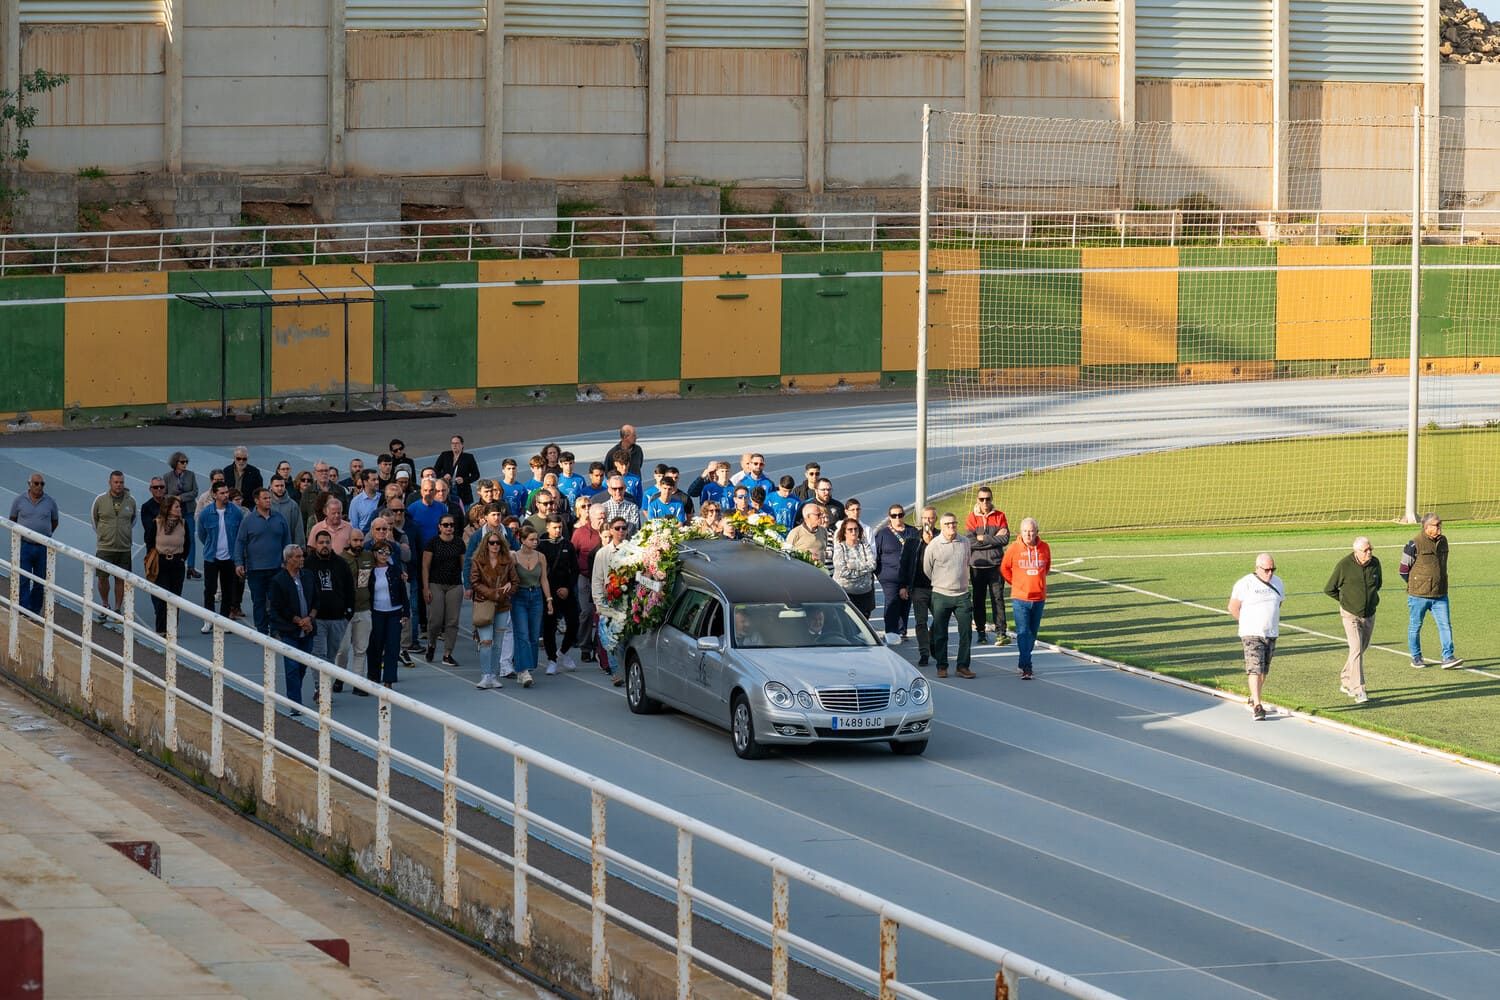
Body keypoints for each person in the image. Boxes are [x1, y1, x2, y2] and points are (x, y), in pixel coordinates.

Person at [1401, 513, 1462, 669]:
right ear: (1427, 527)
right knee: (1415, 626)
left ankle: (1448, 657)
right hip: (1418, 596)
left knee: (1445, 625)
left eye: (1440, 524)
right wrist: (1417, 584)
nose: (1439, 527)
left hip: (1440, 594)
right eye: (1436, 524)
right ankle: (1416, 657)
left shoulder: (1443, 541)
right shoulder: (1414, 544)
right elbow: (1403, 570)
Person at [1324, 536, 1381, 704]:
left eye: (1371, 549)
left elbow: (1378, 584)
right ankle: (1359, 689)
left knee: (1361, 648)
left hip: (1369, 613)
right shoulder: (1344, 565)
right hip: (1350, 614)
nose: (1369, 552)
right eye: (1366, 550)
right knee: (1356, 648)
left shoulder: (1375, 563)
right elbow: (1329, 589)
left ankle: (1346, 679)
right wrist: (1346, 601)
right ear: (1356, 552)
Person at [1229, 552, 1284, 721]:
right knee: (1255, 668)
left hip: (1271, 632)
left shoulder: (1278, 583)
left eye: (1272, 569)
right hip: (1251, 633)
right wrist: (1246, 623)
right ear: (1257, 568)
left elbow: (1279, 603)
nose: (1270, 573)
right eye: (1266, 570)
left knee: (1264, 670)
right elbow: (1233, 607)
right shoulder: (1245, 583)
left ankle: (1254, 697)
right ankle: (1258, 706)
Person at [267, 543, 318, 712]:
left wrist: (309, 619)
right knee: (292, 667)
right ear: (288, 560)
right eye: (298, 557)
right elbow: (278, 607)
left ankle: (295, 695)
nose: (302, 559)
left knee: (302, 667)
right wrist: (299, 621)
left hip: (308, 629)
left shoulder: (308, 576)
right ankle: (295, 704)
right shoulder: (278, 581)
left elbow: (316, 600)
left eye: (302, 556)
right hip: (289, 630)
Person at [923, 513, 974, 679]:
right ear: (942, 526)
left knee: (966, 631)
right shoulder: (934, 545)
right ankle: (942, 665)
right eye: (947, 524)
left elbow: (966, 563)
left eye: (954, 523)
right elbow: (927, 569)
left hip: (962, 594)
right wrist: (941, 582)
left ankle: (963, 666)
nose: (951, 526)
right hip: (941, 594)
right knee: (940, 632)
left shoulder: (965, 542)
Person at [1000, 517, 1051, 679]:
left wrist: (1038, 582)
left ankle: (1022, 662)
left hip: (1039, 597)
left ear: (1037, 532)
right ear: (1020, 532)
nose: (1028, 534)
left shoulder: (1045, 548)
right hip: (1020, 598)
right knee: (1023, 632)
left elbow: (1047, 567)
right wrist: (1016, 583)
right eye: (1025, 531)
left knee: (1032, 633)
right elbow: (1004, 568)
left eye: (1031, 531)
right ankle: (1027, 666)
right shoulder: (1014, 549)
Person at [235, 487, 291, 635]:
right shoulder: (248, 521)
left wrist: (288, 563)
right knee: (259, 601)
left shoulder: (279, 518)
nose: (268, 501)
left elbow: (287, 541)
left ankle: (275, 629)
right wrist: (239, 563)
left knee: (276, 601)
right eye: (265, 498)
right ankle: (261, 630)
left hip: (277, 568)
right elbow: (240, 542)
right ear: (256, 501)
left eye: (269, 498)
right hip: (256, 569)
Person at [306, 528, 355, 694]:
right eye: (321, 543)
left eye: (327, 542)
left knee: (331, 655)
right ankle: (321, 689)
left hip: (338, 619)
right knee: (318, 656)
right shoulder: (308, 564)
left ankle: (323, 687)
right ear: (315, 544)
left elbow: (350, 589)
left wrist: (348, 614)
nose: (325, 545)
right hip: (317, 619)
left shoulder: (341, 564)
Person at [471, 528, 519, 689]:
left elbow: (515, 582)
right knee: (486, 642)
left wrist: (508, 589)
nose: (495, 546)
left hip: (502, 606)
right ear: (486, 544)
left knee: (498, 643)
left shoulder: (508, 562)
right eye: (492, 543)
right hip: (485, 604)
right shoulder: (478, 561)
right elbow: (475, 582)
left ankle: (493, 674)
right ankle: (485, 675)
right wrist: (493, 593)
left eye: (498, 543)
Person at [91, 471, 136, 630]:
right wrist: (104, 535)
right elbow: (94, 519)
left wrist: (124, 534)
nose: (119, 485)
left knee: (120, 579)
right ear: (110, 482)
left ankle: (117, 608)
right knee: (102, 578)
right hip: (105, 547)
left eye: (121, 482)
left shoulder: (131, 501)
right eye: (116, 482)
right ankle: (105, 604)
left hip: (124, 548)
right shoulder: (100, 500)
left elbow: (133, 520)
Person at [196, 479, 243, 631]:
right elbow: (202, 534)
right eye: (222, 493)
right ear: (215, 495)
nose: (225, 495)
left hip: (229, 557)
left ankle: (223, 621)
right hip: (211, 557)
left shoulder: (236, 512)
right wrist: (211, 547)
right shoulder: (206, 513)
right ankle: (209, 619)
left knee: (228, 590)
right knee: (209, 589)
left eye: (226, 492)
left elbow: (240, 534)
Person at [9, 472, 59, 616]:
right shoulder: (19, 500)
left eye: (42, 484)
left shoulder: (50, 502)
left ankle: (34, 610)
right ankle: (23, 608)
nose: (39, 487)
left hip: (42, 548)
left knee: (40, 581)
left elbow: (54, 522)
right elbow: (12, 519)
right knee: (22, 578)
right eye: (36, 483)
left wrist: (44, 534)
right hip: (24, 546)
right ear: (29, 484)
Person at [965, 488, 1010, 646]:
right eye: (982, 499)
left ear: (992, 499)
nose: (985, 502)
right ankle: (981, 632)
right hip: (977, 566)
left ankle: (1001, 632)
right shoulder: (971, 518)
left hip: (996, 565)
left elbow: (1004, 539)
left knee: (998, 599)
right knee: (978, 600)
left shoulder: (1000, 515)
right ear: (977, 500)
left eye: (988, 499)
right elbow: (970, 542)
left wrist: (982, 538)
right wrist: (992, 539)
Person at [422, 514, 466, 665]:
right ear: (439, 527)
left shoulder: (459, 543)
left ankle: (448, 653)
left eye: (451, 525)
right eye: (446, 525)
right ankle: (432, 643)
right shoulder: (432, 543)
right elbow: (425, 567)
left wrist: (467, 585)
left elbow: (463, 565)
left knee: (452, 620)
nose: (449, 528)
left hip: (454, 584)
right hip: (436, 583)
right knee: (435, 619)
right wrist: (426, 587)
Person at [590, 517, 629, 686]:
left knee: (624, 637)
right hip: (608, 601)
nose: (621, 531)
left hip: (626, 600)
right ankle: (616, 671)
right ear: (611, 531)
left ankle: (622, 670)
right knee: (608, 637)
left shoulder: (632, 550)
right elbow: (597, 579)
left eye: (624, 528)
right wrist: (599, 604)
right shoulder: (602, 553)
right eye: (617, 528)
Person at [539, 516, 580, 673]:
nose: (558, 530)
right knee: (549, 627)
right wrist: (548, 591)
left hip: (566, 590)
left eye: (560, 527)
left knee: (574, 623)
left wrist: (568, 588)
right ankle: (552, 660)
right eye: (555, 527)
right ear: (548, 527)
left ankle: (562, 652)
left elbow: (574, 570)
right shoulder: (541, 545)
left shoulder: (567, 545)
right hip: (548, 591)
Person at [336, 529, 375, 694]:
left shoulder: (368, 557)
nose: (359, 544)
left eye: (361, 540)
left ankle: (358, 683)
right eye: (355, 540)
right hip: (345, 612)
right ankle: (340, 676)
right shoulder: (340, 560)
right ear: (349, 541)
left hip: (364, 608)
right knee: (343, 649)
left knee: (361, 649)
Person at [511, 525, 549, 688]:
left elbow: (544, 579)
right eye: (531, 539)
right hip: (519, 596)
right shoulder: (514, 557)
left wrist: (549, 599)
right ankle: (523, 670)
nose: (535, 542)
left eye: (536, 539)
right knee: (522, 634)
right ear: (522, 540)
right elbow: (510, 578)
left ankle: (525, 667)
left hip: (536, 596)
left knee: (534, 636)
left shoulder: (541, 556)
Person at [366, 541, 409, 688]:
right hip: (376, 612)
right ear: (374, 553)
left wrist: (406, 613)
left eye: (387, 553)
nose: (384, 555)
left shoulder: (395, 570)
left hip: (394, 612)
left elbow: (403, 592)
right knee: (375, 645)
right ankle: (373, 676)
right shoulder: (369, 571)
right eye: (381, 552)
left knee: (392, 645)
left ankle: (389, 679)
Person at [873, 505, 918, 645]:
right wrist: (880, 574)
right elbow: (877, 556)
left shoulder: (912, 532)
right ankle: (891, 632)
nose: (897, 518)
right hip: (889, 576)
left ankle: (902, 630)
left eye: (900, 515)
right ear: (889, 517)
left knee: (905, 602)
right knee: (892, 602)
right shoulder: (882, 534)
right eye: (894, 515)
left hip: (908, 576)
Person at [902, 507, 938, 666]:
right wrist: (903, 585)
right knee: (920, 622)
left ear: (935, 520)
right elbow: (904, 564)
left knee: (940, 620)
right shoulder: (912, 540)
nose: (927, 521)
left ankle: (932, 643)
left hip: (938, 587)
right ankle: (924, 652)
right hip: (918, 588)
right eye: (925, 518)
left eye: (930, 518)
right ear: (921, 520)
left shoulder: (941, 538)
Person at [149, 496, 188, 636]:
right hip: (161, 563)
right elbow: (150, 542)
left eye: (179, 507)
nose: (179, 509)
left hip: (177, 564)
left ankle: (172, 628)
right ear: (168, 509)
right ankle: (160, 629)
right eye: (176, 507)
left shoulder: (183, 523)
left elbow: (187, 544)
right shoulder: (157, 523)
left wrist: (182, 558)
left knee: (176, 598)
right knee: (162, 597)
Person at [572, 503, 605, 662]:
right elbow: (573, 553)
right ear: (591, 517)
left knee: (602, 614)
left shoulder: (608, 531)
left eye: (604, 516)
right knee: (586, 612)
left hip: (605, 579)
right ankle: (585, 646)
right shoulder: (580, 533)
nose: (602, 519)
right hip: (585, 577)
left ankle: (600, 647)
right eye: (599, 517)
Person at [164, 452, 200, 579]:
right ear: (175, 463)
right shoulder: (167, 477)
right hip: (174, 513)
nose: (185, 464)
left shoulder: (191, 475)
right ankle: (176, 564)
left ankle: (191, 567)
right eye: (182, 462)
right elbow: (165, 494)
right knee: (174, 539)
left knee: (190, 538)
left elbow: (195, 492)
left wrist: (181, 497)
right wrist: (174, 499)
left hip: (188, 510)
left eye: (186, 462)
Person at [831, 518, 877, 618]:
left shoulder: (865, 546)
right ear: (844, 532)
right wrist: (864, 569)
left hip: (865, 593)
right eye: (850, 529)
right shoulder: (840, 548)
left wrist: (854, 569)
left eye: (856, 529)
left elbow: (873, 564)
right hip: (847, 592)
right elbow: (843, 571)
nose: (853, 532)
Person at [433, 434, 480, 506]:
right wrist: (443, 476)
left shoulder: (468, 457)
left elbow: (476, 475)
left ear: (462, 445)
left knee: (463, 514)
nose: (454, 445)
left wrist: (464, 480)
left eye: (457, 443)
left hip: (463, 492)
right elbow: (435, 470)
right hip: (446, 490)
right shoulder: (445, 455)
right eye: (452, 443)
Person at [785, 503, 828, 568]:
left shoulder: (823, 531)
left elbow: (824, 550)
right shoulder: (795, 533)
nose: (821, 517)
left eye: (821, 514)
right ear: (807, 516)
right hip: (802, 572)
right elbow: (786, 554)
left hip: (820, 572)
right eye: (818, 515)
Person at [267, 474, 305, 546]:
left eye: (282, 486)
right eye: (277, 486)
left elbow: (298, 529)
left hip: (287, 548)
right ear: (271, 486)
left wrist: (300, 547)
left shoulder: (293, 505)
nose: (280, 488)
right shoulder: (265, 504)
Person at [348, 469, 382, 534]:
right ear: (365, 482)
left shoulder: (383, 498)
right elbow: (354, 525)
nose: (377, 482)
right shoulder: (355, 502)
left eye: (377, 479)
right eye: (373, 480)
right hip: (364, 536)